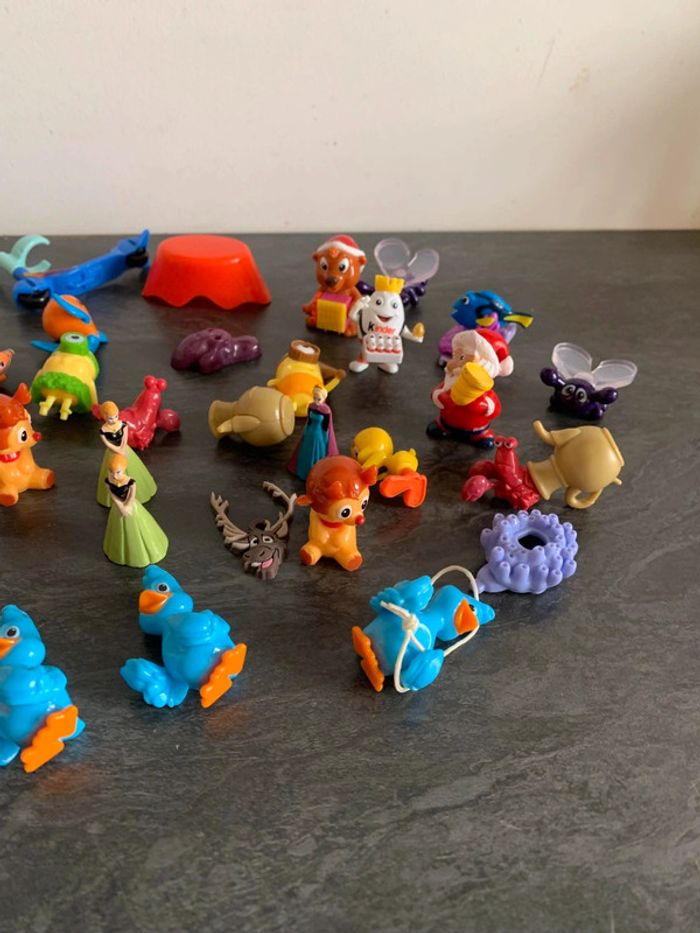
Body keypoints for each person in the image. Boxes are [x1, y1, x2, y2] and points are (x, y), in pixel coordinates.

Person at [103, 454, 168, 567]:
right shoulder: (108, 481)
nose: (114, 475)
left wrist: (127, 506)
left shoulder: (130, 482)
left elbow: (131, 495)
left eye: (118, 472)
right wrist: (120, 507)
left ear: (124, 469)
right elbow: (112, 495)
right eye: (111, 472)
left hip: (131, 507)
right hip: (118, 508)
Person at [96, 400, 157, 507]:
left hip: (124, 449)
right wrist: (117, 450)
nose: (114, 420)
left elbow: (125, 439)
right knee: (113, 469)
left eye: (116, 416)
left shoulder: (123, 425)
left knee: (133, 470)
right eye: (110, 418)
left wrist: (122, 449)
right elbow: (107, 443)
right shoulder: (103, 430)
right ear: (105, 417)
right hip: (112, 452)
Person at [288, 386, 338, 481]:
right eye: (314, 398)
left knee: (317, 451)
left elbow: (326, 426)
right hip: (310, 432)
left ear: (324, 398)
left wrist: (325, 438)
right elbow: (309, 420)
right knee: (305, 450)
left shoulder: (326, 410)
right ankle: (303, 470)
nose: (316, 401)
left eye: (319, 399)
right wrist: (306, 430)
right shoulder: (311, 406)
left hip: (319, 435)